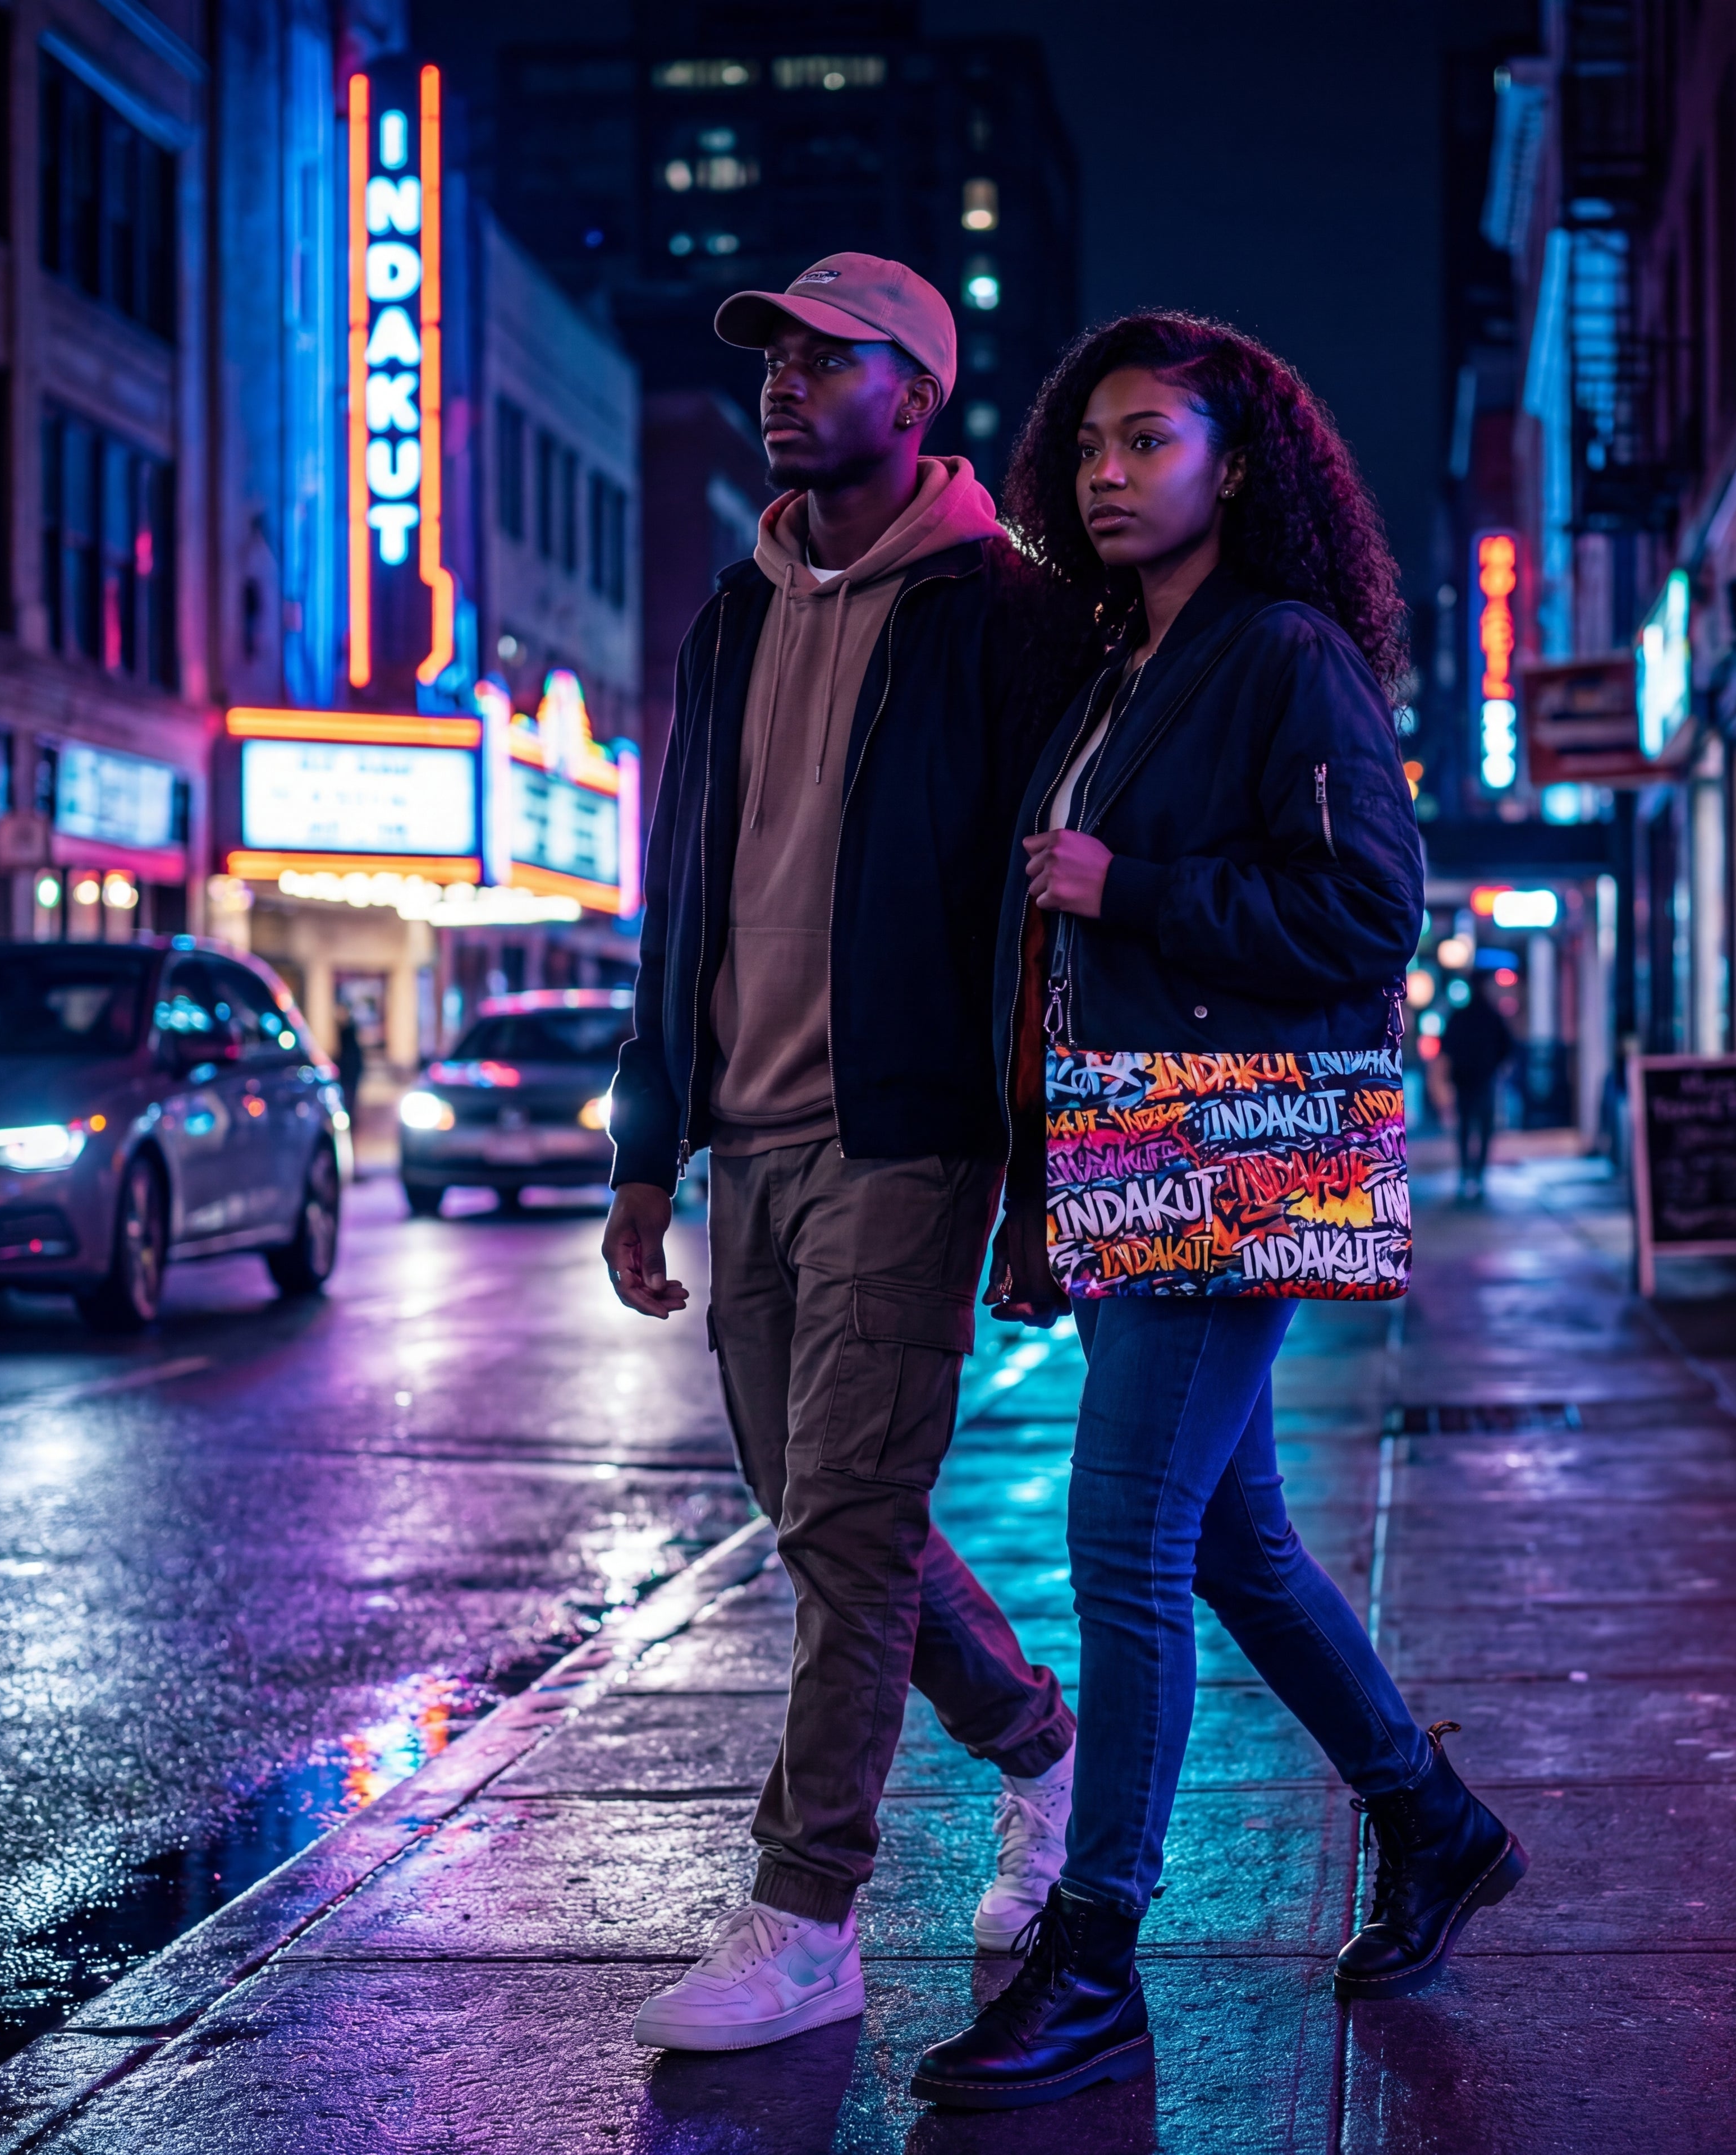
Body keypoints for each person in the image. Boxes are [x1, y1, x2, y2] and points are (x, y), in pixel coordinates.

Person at [913, 314, 1527, 2111]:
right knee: (1230, 1539)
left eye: (1148, 440)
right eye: (1087, 445)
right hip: (1129, 1149)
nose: (1107, 472)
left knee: (1121, 1543)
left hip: (1223, 1151)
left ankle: (1093, 1953)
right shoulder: (1120, 663)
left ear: (1234, 461)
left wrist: (1133, 885)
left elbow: (1362, 912)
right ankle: (1430, 1820)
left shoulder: (1281, 650)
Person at [601, 254, 1079, 2056]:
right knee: (819, 1517)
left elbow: (1036, 928)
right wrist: (648, 1144)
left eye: (829, 359)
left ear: (918, 395)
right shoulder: (731, 611)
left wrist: (1033, 1172)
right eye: (773, 360)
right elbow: (678, 898)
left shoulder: (1007, 616)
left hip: (911, 1133)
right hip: (745, 1135)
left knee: (853, 1519)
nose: (786, 386)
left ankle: (806, 1914)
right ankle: (1043, 1743)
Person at [1442, 974, 1515, 1198]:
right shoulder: (1491, 1016)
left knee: (1466, 1128)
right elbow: (1507, 1046)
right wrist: (1495, 1065)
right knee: (1482, 1128)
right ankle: (1478, 1175)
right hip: (1484, 1079)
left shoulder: (1461, 1016)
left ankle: (1467, 1174)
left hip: (1466, 1080)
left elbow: (1447, 1047)